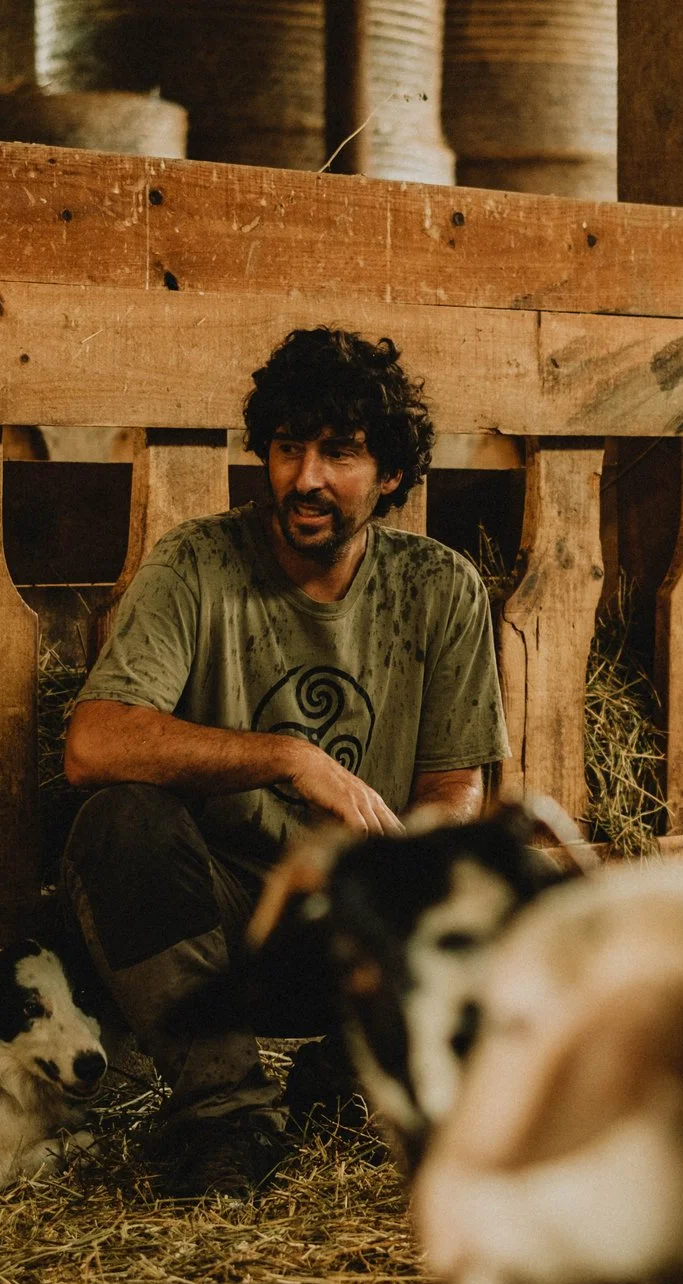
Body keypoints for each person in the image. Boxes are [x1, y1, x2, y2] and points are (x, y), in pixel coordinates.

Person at [59, 327, 509, 1199]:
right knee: (116, 821)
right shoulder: (196, 565)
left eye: (339, 452)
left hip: (355, 930)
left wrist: (404, 875)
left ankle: (348, 1081)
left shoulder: (440, 588)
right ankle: (226, 1115)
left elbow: (456, 785)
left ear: (390, 477)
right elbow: (92, 743)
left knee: (495, 873)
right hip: (223, 933)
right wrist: (284, 756)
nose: (305, 478)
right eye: (288, 447)